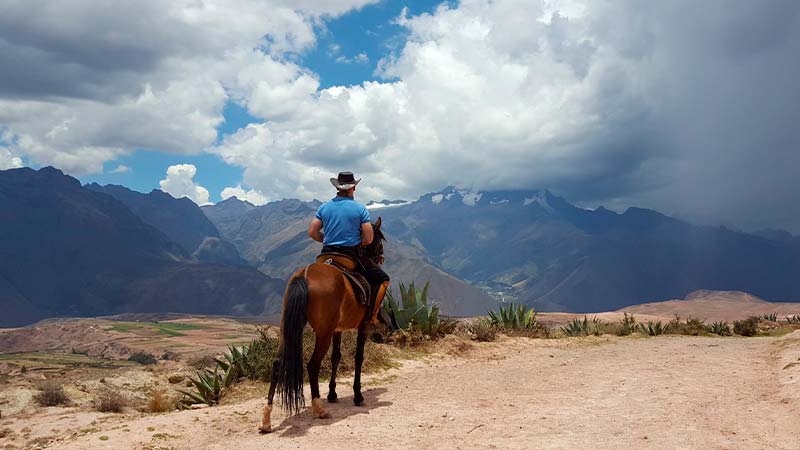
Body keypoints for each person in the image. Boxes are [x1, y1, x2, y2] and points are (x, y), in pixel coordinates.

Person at [307, 171, 390, 325]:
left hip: (326, 254)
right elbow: (369, 238)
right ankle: (372, 317)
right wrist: (359, 242)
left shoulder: (324, 207)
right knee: (383, 279)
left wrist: (326, 239)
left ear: (337, 188)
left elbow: (312, 232)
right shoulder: (360, 209)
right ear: (353, 189)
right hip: (350, 256)